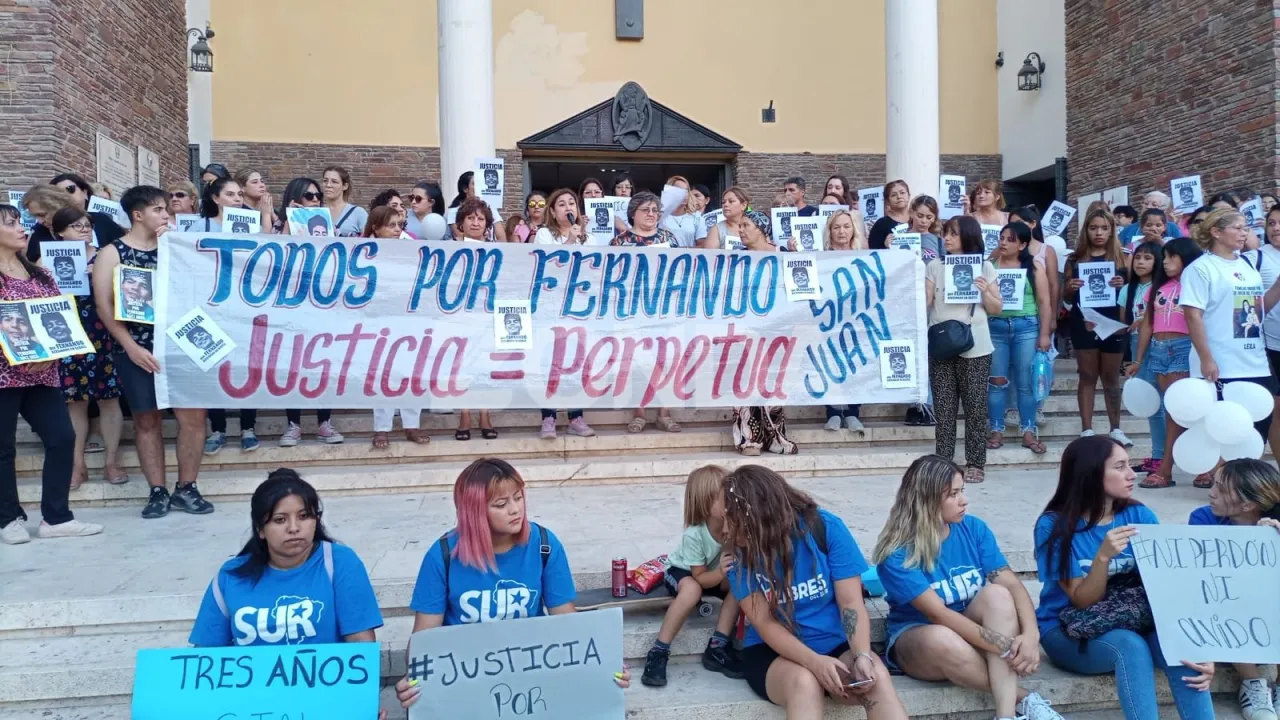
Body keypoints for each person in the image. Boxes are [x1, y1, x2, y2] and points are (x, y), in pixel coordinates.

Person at [394, 458, 630, 710]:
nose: (515, 509)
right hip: (466, 681)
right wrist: (414, 680)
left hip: (531, 679)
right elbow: (424, 639)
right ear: (474, 511)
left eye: (518, 498)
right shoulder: (442, 555)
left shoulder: (544, 545)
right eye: (501, 504)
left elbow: (567, 623)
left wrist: (603, 663)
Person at [1035, 435, 1216, 720]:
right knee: (1129, 646)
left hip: (1130, 618)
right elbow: (1081, 601)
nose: (1131, 474)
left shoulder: (1139, 515)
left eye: (1129, 465)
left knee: (1182, 649)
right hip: (1066, 630)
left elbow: (1167, 586)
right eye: (1119, 467)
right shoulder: (1054, 526)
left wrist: (1198, 646)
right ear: (1091, 473)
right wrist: (1103, 558)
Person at [873, 455, 1063, 720]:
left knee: (997, 594)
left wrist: (1031, 636)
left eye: (962, 491)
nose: (964, 500)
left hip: (973, 630)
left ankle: (1005, 716)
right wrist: (1007, 647)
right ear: (926, 500)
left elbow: (1013, 585)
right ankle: (1023, 698)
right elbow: (939, 615)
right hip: (919, 639)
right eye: (953, 494)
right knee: (943, 637)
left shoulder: (973, 528)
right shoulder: (897, 553)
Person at [718, 465, 907, 719]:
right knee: (804, 682)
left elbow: (851, 601)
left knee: (876, 675)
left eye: (730, 518)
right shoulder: (738, 554)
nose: (725, 529)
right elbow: (763, 622)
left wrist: (861, 654)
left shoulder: (825, 528)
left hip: (835, 643)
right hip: (772, 651)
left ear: (757, 514)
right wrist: (815, 663)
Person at [93, 185, 213, 519]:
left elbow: (199, 287)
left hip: (182, 342)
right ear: (138, 214)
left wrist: (175, 246)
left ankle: (187, 487)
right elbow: (105, 306)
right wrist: (129, 347)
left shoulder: (175, 247)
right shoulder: (112, 253)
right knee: (147, 420)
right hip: (136, 346)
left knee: (194, 416)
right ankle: (157, 490)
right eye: (159, 209)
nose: (166, 214)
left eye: (166, 210)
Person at [0, 204, 103, 544]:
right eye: (11, 223)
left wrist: (51, 353)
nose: (20, 227)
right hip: (3, 375)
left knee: (62, 437)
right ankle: (8, 518)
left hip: (43, 374)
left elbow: (61, 317)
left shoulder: (40, 272)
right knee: (3, 448)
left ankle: (56, 517)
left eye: (19, 221)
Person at [189, 469, 383, 647]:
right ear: (260, 529)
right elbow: (204, 656)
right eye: (280, 520)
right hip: (254, 684)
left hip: (328, 683)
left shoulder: (340, 562)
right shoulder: (230, 576)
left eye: (304, 516)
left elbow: (361, 647)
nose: (294, 528)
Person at [1183, 207, 1280, 486]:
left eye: (1245, 227)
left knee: (1257, 424)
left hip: (1254, 358)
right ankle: (1225, 485)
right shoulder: (1201, 268)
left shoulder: (1247, 265)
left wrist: (1277, 286)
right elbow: (1193, 314)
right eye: (1237, 227)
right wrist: (1206, 358)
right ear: (1216, 231)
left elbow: (1255, 313)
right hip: (1222, 362)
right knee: (1225, 427)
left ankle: (1246, 483)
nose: (1244, 233)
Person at [1188, 459, 1280, 720]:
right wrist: (1247, 542)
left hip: (1271, 613)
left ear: (1249, 505)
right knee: (1228, 596)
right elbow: (1203, 577)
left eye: (1221, 488)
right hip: (1227, 615)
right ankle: (1252, 682)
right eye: (1214, 484)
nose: (1211, 492)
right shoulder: (1203, 518)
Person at [641, 465, 742, 687]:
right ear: (706, 503)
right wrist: (721, 572)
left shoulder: (733, 526)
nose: (732, 501)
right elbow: (700, 577)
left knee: (740, 584)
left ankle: (717, 646)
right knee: (692, 590)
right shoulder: (695, 535)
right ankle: (659, 650)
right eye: (725, 497)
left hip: (714, 573)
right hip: (684, 572)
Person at [48, 207, 127, 487]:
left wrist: (104, 276)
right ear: (59, 232)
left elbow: (129, 293)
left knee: (109, 398)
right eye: (74, 226)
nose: (82, 229)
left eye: (85, 224)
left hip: (103, 334)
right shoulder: (46, 261)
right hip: (66, 336)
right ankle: (77, 466)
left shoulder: (105, 255)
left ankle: (112, 462)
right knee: (75, 402)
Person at [927, 217, 1001, 483]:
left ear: (968, 236)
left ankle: (975, 463)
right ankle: (943, 463)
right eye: (945, 233)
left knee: (975, 407)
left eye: (954, 234)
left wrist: (983, 292)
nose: (947, 238)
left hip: (976, 344)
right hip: (942, 343)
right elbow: (925, 301)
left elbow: (996, 308)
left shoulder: (984, 266)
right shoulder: (934, 266)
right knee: (944, 409)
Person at [1125, 238, 1201, 488]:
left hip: (1183, 347)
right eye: (1165, 257)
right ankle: (1186, 466)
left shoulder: (1196, 284)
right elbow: (1148, 324)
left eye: (1171, 257)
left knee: (1181, 409)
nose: (1165, 262)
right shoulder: (1157, 288)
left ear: (1186, 258)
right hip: (1158, 349)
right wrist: (1138, 359)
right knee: (1172, 408)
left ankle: (1173, 467)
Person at [730, 211, 796, 455]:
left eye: (746, 225)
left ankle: (775, 437)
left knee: (774, 383)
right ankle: (749, 438)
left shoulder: (784, 256)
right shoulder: (737, 259)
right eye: (740, 226)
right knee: (746, 382)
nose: (741, 230)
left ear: (761, 229)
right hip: (746, 328)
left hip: (779, 329)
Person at [1064, 209, 1132, 445]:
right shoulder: (1075, 259)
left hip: (1114, 322)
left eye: (1104, 228)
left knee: (1111, 377)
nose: (1099, 233)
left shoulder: (1124, 257)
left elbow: (1135, 292)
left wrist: (1122, 284)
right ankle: (1087, 429)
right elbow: (1065, 296)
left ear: (1112, 230)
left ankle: (1116, 428)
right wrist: (1071, 286)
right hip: (1085, 321)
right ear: (1086, 230)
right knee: (1088, 375)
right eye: (1094, 228)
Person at [988, 222, 1052, 455]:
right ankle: (996, 429)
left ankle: (1028, 430)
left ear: (1023, 244)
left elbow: (1044, 302)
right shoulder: (990, 265)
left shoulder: (1034, 267)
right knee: (996, 382)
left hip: (1026, 326)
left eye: (1010, 239)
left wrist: (1044, 334)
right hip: (995, 327)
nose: (1003, 242)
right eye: (1001, 237)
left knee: (1026, 383)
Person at [1117, 242, 1165, 479]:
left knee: (1161, 404)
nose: (1140, 262)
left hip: (1158, 346)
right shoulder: (1128, 289)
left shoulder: (1161, 288)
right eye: (1137, 257)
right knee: (1152, 405)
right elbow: (1123, 324)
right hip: (1138, 347)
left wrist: (1147, 322)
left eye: (1147, 258)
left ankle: (1162, 457)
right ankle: (1158, 456)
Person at [818, 208, 867, 432]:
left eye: (846, 226)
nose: (841, 231)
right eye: (836, 227)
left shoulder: (864, 258)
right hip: (830, 319)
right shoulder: (820, 258)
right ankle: (834, 412)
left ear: (853, 230)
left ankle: (853, 412)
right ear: (829, 231)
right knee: (831, 364)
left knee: (856, 363)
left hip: (857, 319)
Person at [22, 181, 124, 263]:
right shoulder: (37, 232)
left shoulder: (100, 220)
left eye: (42, 215)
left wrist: (105, 269)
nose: (39, 221)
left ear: (57, 206)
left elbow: (125, 252)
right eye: (35, 216)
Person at [448, 171, 506, 242]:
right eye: (470, 218)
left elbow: (502, 238)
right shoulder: (454, 211)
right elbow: (466, 239)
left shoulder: (489, 207)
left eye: (481, 219)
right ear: (465, 189)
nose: (475, 223)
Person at [659, 175, 706, 248]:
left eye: (686, 190)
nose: (684, 194)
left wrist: (682, 251)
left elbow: (703, 245)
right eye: (679, 190)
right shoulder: (658, 217)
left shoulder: (697, 217)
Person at [320, 166, 368, 238]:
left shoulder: (358, 213)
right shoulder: (317, 211)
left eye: (334, 182)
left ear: (345, 186)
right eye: (325, 181)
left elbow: (370, 239)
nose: (328, 185)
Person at [868, 180, 912, 249]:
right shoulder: (881, 224)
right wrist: (885, 245)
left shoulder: (917, 219)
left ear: (909, 196)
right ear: (887, 201)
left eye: (902, 193)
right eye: (894, 195)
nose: (899, 197)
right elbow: (873, 250)